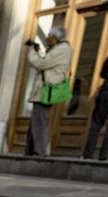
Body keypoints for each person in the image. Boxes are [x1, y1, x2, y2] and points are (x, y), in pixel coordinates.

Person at [25, 26, 72, 157]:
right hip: (45, 89)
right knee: (36, 120)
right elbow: (46, 63)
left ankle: (40, 153)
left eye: (49, 35)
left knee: (39, 121)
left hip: (46, 91)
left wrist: (31, 51)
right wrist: (39, 51)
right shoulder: (59, 49)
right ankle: (29, 151)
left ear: (55, 37)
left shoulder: (62, 49)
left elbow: (40, 64)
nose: (47, 38)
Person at [82, 40, 108, 161]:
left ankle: (88, 155)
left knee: (96, 124)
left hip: (106, 95)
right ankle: (104, 156)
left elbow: (102, 74)